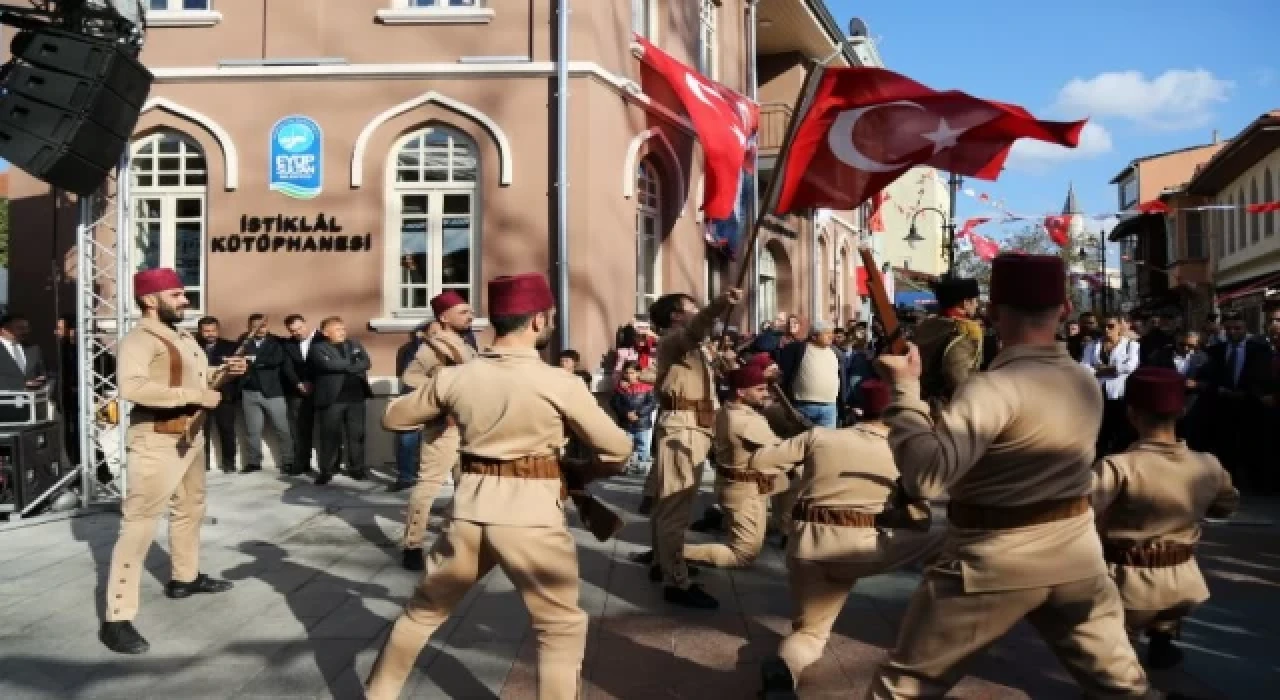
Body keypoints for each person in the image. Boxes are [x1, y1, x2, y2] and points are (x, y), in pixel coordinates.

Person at [868, 254, 1150, 698]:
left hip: (991, 561)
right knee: (1124, 689)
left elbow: (925, 478)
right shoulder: (1083, 380)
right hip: (1076, 558)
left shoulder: (991, 388)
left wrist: (904, 392)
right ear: (1066, 310)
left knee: (903, 689)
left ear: (994, 312)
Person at [365, 273, 632, 700]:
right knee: (559, 627)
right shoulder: (560, 382)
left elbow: (394, 417)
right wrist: (586, 471)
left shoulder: (457, 377)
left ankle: (377, 694)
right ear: (538, 321)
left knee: (423, 612)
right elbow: (618, 449)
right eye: (549, 317)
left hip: (469, 510)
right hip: (532, 517)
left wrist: (447, 398)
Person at [750, 380, 944, 697]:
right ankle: (934, 624)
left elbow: (760, 462)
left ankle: (784, 670)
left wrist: (802, 476)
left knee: (810, 635)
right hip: (860, 551)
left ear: (859, 409)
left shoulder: (819, 436)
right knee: (948, 537)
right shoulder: (904, 454)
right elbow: (921, 520)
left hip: (805, 548)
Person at [98, 268, 247, 654]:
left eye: (183, 294)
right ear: (150, 300)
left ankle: (185, 577)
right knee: (139, 524)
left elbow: (201, 379)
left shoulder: (181, 336)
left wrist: (225, 372)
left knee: (190, 507)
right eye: (177, 295)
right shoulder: (139, 339)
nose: (186, 300)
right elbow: (132, 387)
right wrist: (196, 395)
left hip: (189, 436)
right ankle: (117, 617)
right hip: (155, 438)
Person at [1091, 367, 1239, 670]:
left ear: (1131, 414)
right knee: (1164, 619)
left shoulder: (1118, 467)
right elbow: (1226, 507)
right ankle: (1163, 639)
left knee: (1112, 661)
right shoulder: (1208, 465)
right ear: (1181, 412)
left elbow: (1081, 515)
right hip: (1183, 583)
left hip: (1126, 584)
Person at [644, 287, 744, 610]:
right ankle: (676, 580)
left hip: (693, 426)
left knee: (668, 503)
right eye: (691, 307)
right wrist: (720, 304)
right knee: (676, 506)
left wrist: (720, 365)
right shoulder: (676, 338)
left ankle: (664, 562)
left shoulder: (691, 346)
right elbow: (698, 326)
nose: (696, 310)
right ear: (676, 316)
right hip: (683, 429)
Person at [681, 362, 787, 571]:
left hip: (736, 487)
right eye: (759, 389)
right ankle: (672, 553)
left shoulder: (726, 410)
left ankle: (721, 521)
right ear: (741, 392)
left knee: (783, 513)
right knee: (743, 555)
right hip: (745, 493)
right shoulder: (744, 421)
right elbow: (784, 452)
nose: (765, 394)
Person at [398, 292, 477, 570]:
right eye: (463, 312)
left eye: (470, 311)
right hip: (444, 427)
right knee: (429, 486)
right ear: (444, 317)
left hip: (467, 427)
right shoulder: (434, 346)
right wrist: (442, 400)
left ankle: (458, 538)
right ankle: (412, 545)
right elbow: (410, 377)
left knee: (466, 485)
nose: (470, 316)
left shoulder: (464, 343)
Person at [308, 317, 373, 484]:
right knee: (329, 436)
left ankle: (357, 468)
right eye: (337, 329)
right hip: (332, 399)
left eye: (343, 328)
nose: (342, 332)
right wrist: (352, 363)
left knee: (356, 435)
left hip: (356, 397)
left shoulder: (354, 344)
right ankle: (327, 470)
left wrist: (342, 364)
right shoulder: (317, 348)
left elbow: (366, 362)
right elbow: (326, 366)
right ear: (326, 332)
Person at [237, 314, 294, 474]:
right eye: (255, 326)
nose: (260, 329)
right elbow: (238, 360)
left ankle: (288, 461)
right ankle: (253, 462)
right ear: (250, 327)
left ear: (267, 326)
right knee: (252, 431)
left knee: (282, 429)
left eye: (262, 326)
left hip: (273, 392)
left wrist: (253, 360)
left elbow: (276, 360)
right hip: (249, 391)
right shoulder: (244, 342)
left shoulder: (277, 342)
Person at [912, 277, 983, 407]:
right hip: (947, 407)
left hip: (919, 400)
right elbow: (956, 374)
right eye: (975, 301)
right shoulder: (965, 330)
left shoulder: (927, 325)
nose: (977, 305)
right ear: (965, 303)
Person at [1082, 314, 1141, 457]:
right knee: (1101, 430)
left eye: (1111, 326)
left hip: (1120, 394)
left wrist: (1103, 369)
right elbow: (1084, 366)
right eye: (1103, 326)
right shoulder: (1092, 346)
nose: (1106, 330)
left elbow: (1130, 366)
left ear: (1119, 327)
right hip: (1098, 394)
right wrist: (1104, 370)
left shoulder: (1131, 345)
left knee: (1121, 430)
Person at [776, 320, 844, 428]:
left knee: (826, 439)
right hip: (803, 407)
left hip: (829, 408)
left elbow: (841, 377)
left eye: (831, 333)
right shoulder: (797, 349)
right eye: (826, 333)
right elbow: (785, 375)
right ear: (814, 336)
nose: (831, 336)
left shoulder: (835, 352)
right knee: (801, 438)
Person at [196, 317, 243, 473]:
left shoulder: (231, 346)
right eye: (206, 331)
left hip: (225, 395)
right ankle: (203, 464)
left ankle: (229, 464)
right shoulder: (193, 346)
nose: (210, 334)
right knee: (202, 431)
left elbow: (237, 369)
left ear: (218, 330)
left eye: (213, 330)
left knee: (227, 430)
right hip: (201, 395)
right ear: (200, 331)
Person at [282, 314, 323, 475]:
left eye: (299, 328)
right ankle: (302, 463)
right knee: (300, 430)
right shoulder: (288, 344)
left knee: (329, 428)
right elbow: (287, 367)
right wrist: (298, 384)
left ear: (306, 324)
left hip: (322, 389)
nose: (297, 332)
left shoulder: (322, 339)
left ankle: (331, 465)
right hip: (298, 392)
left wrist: (313, 383)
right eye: (293, 331)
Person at [610, 361, 656, 473]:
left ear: (638, 373)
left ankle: (642, 466)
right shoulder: (620, 389)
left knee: (643, 446)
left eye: (632, 373)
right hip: (626, 424)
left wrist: (638, 413)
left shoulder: (647, 388)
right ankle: (626, 466)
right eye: (627, 373)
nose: (629, 375)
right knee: (625, 446)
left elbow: (651, 404)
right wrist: (626, 413)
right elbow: (615, 404)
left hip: (642, 424)